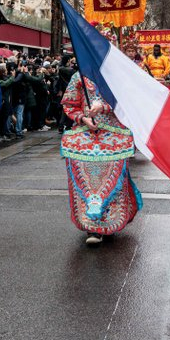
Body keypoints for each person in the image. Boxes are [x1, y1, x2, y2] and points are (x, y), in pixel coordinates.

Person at [60, 71, 141, 245]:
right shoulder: (79, 76)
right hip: (85, 138)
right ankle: (93, 227)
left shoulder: (115, 71)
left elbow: (129, 101)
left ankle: (107, 224)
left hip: (114, 137)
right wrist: (82, 118)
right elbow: (68, 104)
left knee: (111, 183)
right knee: (89, 183)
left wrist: (104, 107)